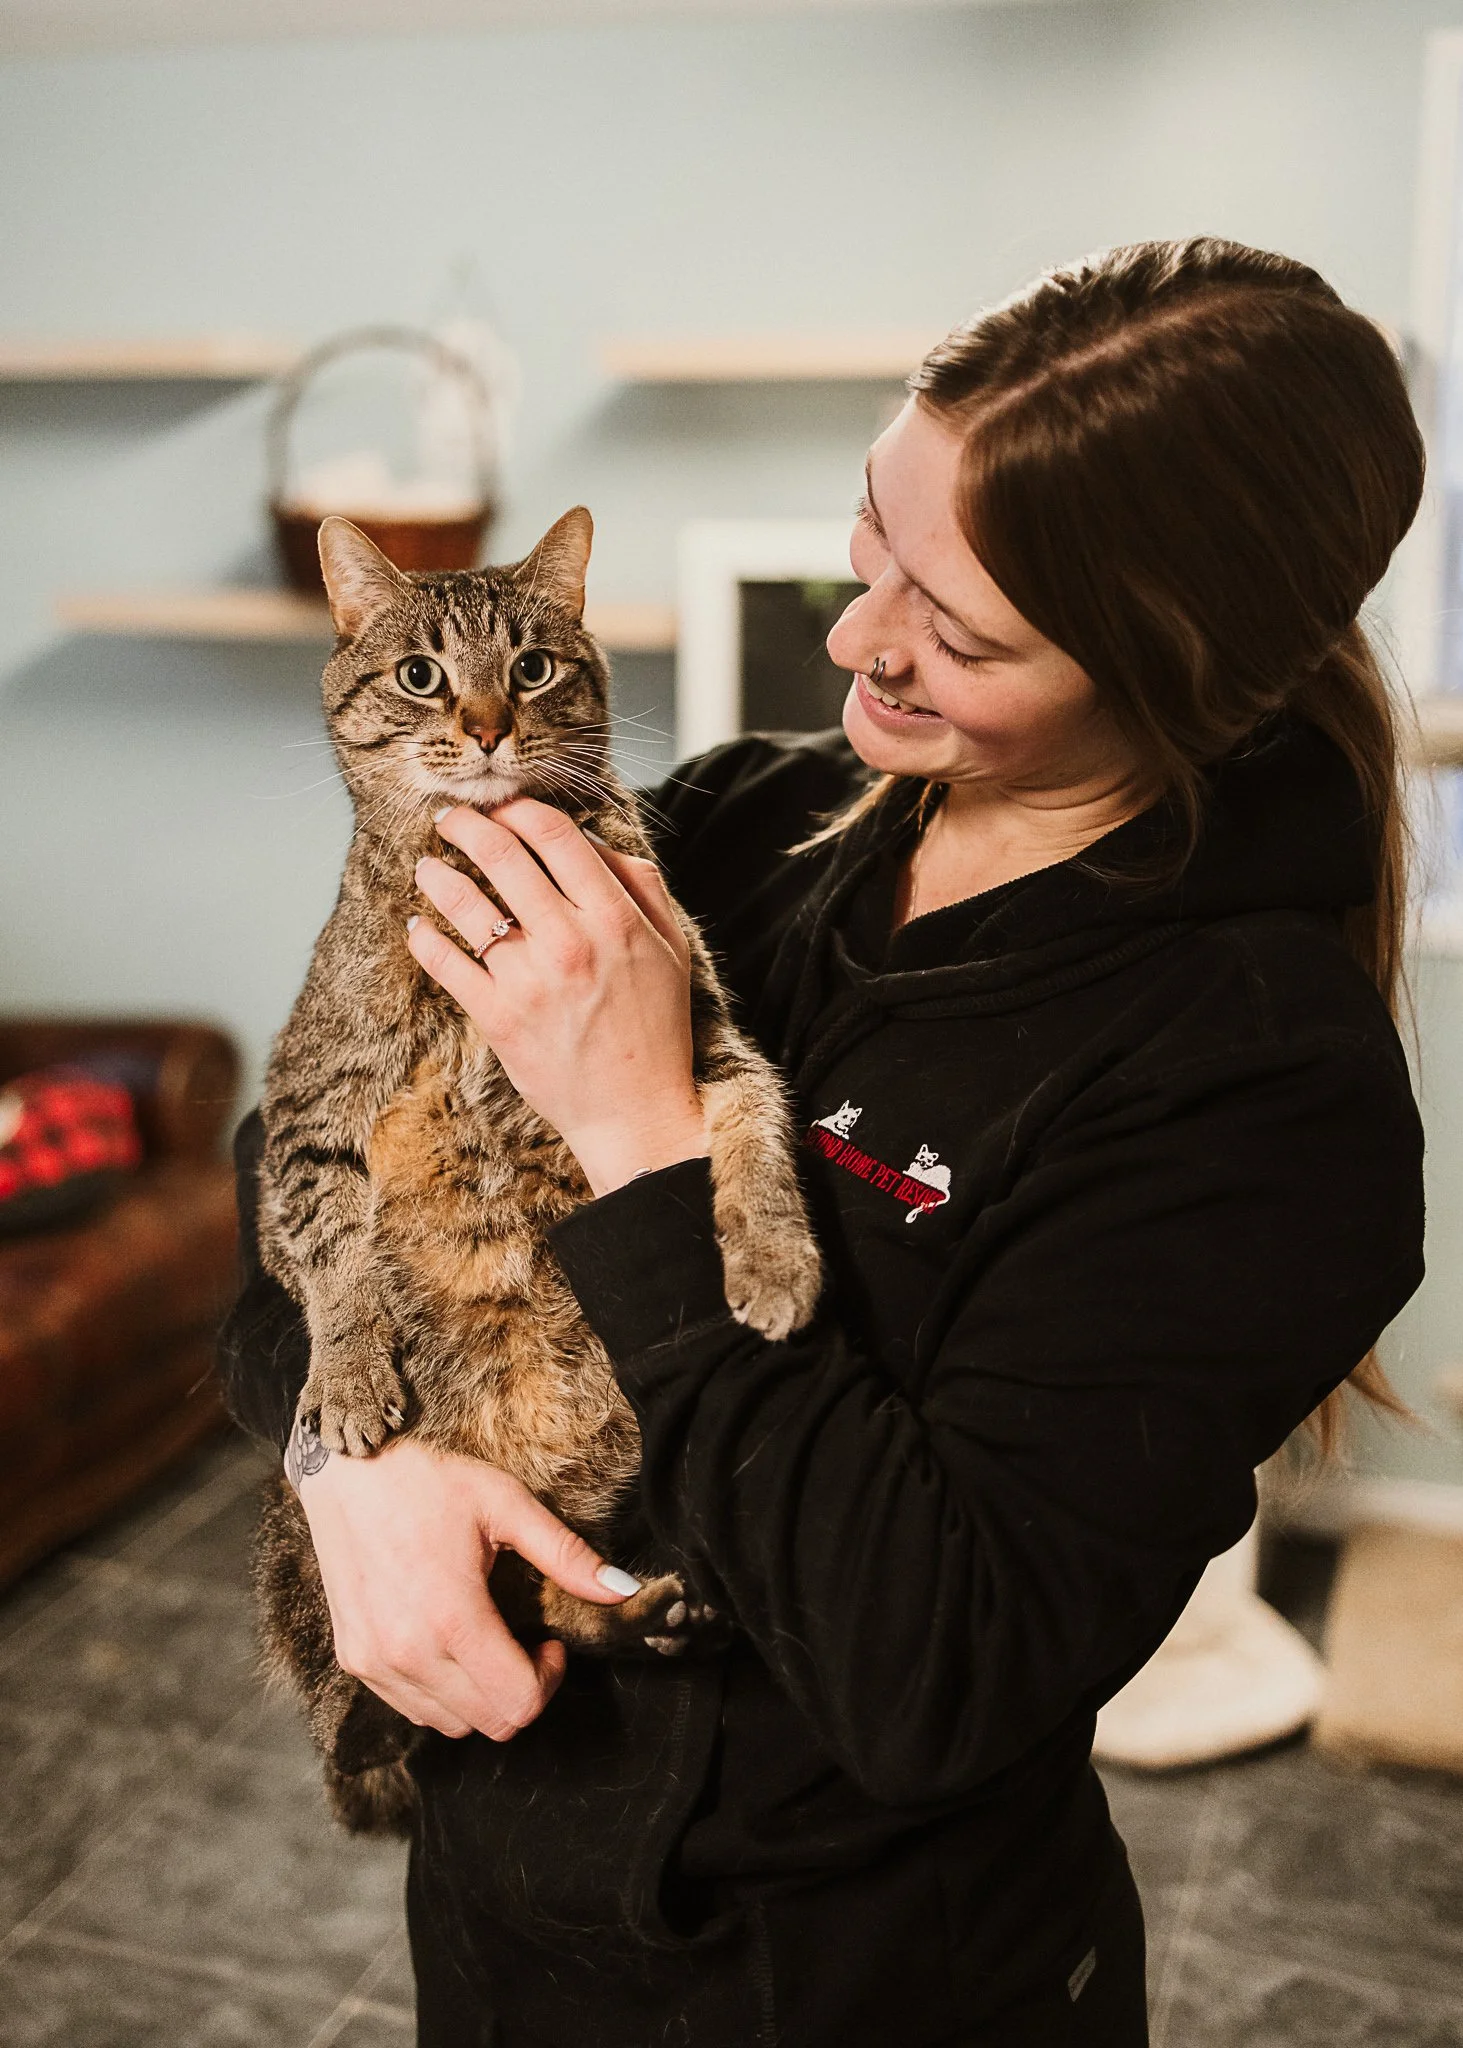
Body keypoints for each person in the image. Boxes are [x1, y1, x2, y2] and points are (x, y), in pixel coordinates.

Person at [220, 238, 1427, 2048]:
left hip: (841, 1983)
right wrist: (348, 1470)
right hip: (500, 1918)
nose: (856, 632)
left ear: (1177, 666)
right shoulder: (731, 822)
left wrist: (639, 1132)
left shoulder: (1258, 1091)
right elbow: (289, 1169)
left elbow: (927, 1671)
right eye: (874, 536)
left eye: (960, 629)